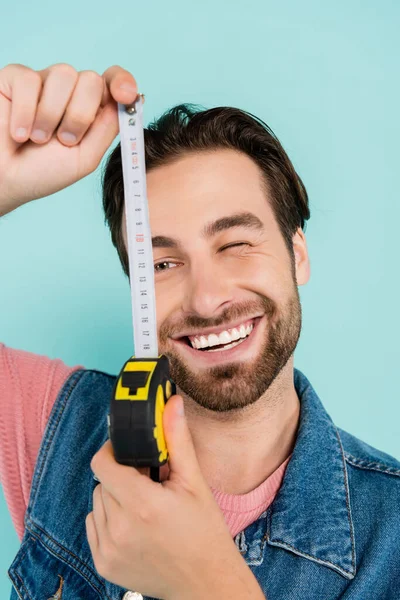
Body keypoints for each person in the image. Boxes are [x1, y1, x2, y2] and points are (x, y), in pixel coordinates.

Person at [0, 62, 399, 600]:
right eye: (162, 265)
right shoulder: (61, 427)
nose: (208, 298)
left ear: (296, 254)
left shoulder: (391, 535)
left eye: (235, 244)